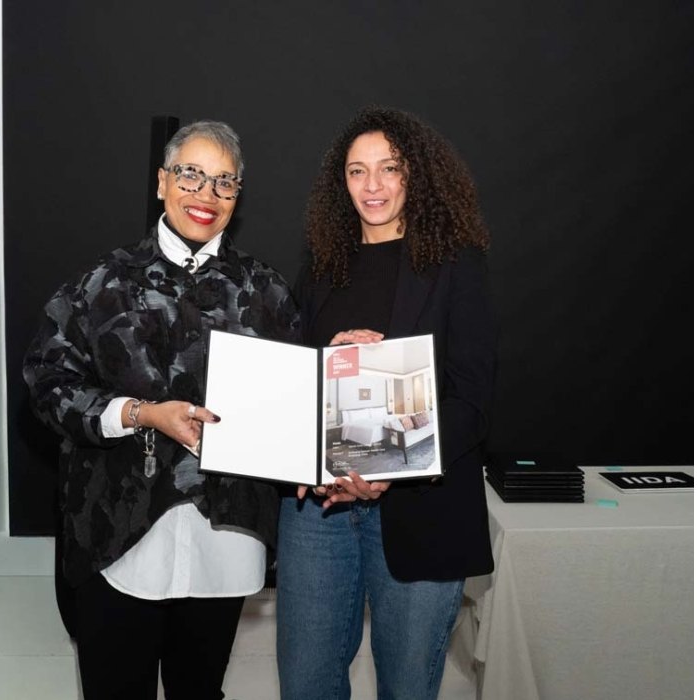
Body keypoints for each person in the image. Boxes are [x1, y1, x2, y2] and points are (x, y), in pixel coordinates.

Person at [24, 120, 300, 699]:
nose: (207, 194)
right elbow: (48, 384)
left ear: (238, 195)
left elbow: (298, 402)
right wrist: (140, 413)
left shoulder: (266, 291)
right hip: (117, 534)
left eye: (225, 182)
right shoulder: (101, 284)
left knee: (199, 691)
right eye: (191, 174)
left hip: (225, 540)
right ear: (161, 182)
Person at [276, 106, 496, 700]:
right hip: (316, 510)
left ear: (416, 175)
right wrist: (328, 352)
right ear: (339, 183)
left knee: (406, 687)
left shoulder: (458, 265)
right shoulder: (322, 269)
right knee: (305, 685)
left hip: (421, 509)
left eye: (388, 169)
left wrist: (388, 471)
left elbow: (473, 398)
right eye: (356, 171)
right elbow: (292, 382)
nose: (372, 186)